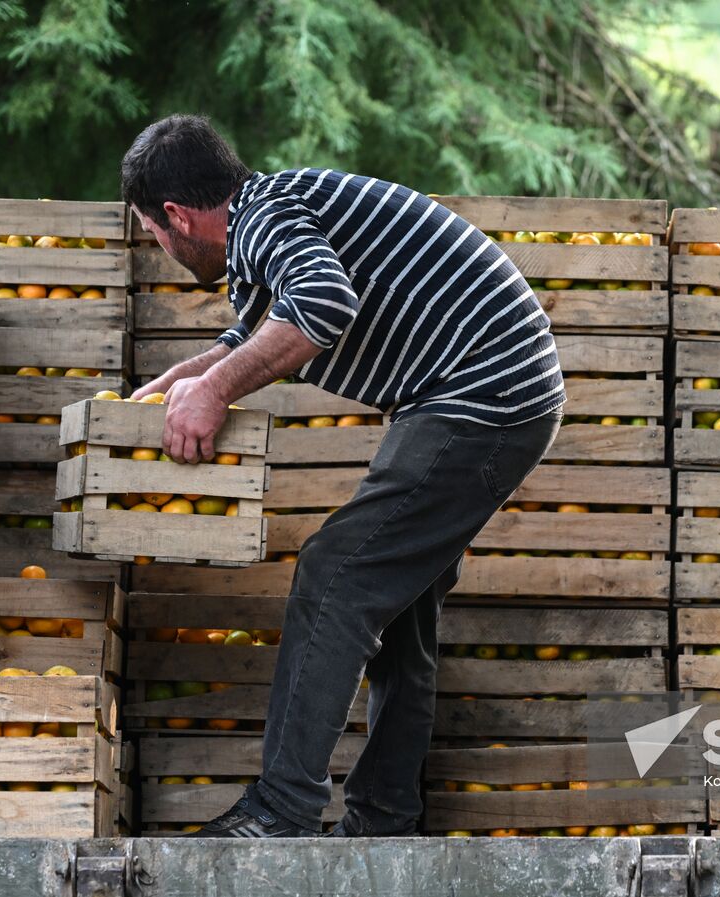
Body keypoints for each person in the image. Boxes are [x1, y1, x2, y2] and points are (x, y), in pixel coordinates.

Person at [121, 114, 565, 837]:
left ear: (178, 215)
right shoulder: (271, 217)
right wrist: (185, 377)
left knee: (335, 573)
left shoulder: (264, 219)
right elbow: (261, 325)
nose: (161, 249)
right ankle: (386, 819)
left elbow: (323, 304)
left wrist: (215, 391)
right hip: (485, 396)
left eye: (154, 234)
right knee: (403, 612)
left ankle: (282, 809)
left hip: (481, 395)